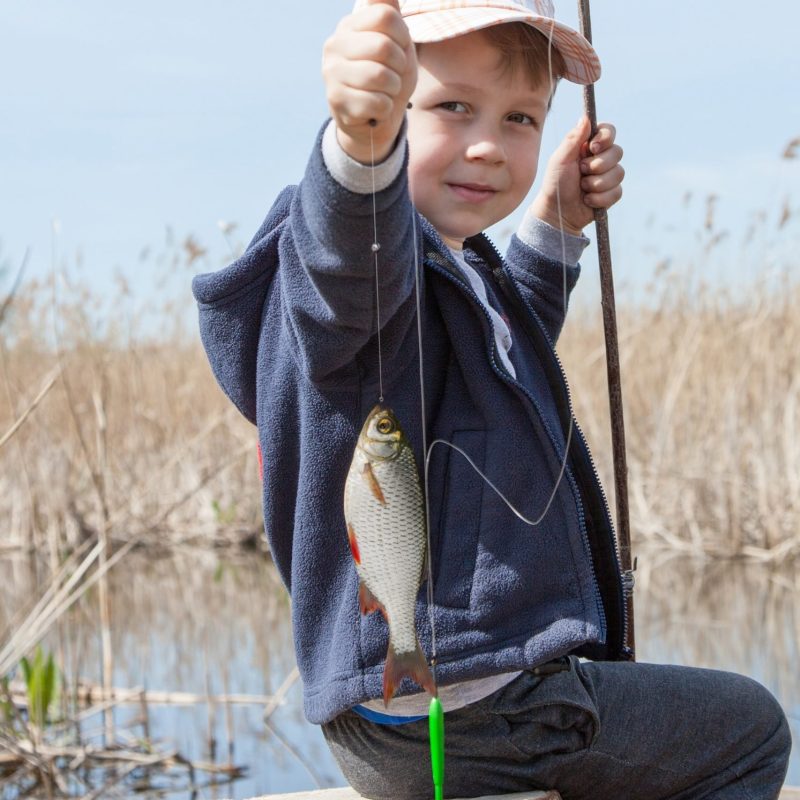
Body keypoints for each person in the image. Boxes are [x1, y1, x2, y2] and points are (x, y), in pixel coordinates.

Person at [192, 0, 791, 797]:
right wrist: (358, 151)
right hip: (472, 712)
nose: (487, 145)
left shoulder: (457, 263)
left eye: (520, 118)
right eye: (450, 107)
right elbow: (343, 265)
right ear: (390, 105)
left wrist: (556, 224)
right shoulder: (356, 263)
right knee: (749, 729)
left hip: (402, 713)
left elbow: (500, 373)